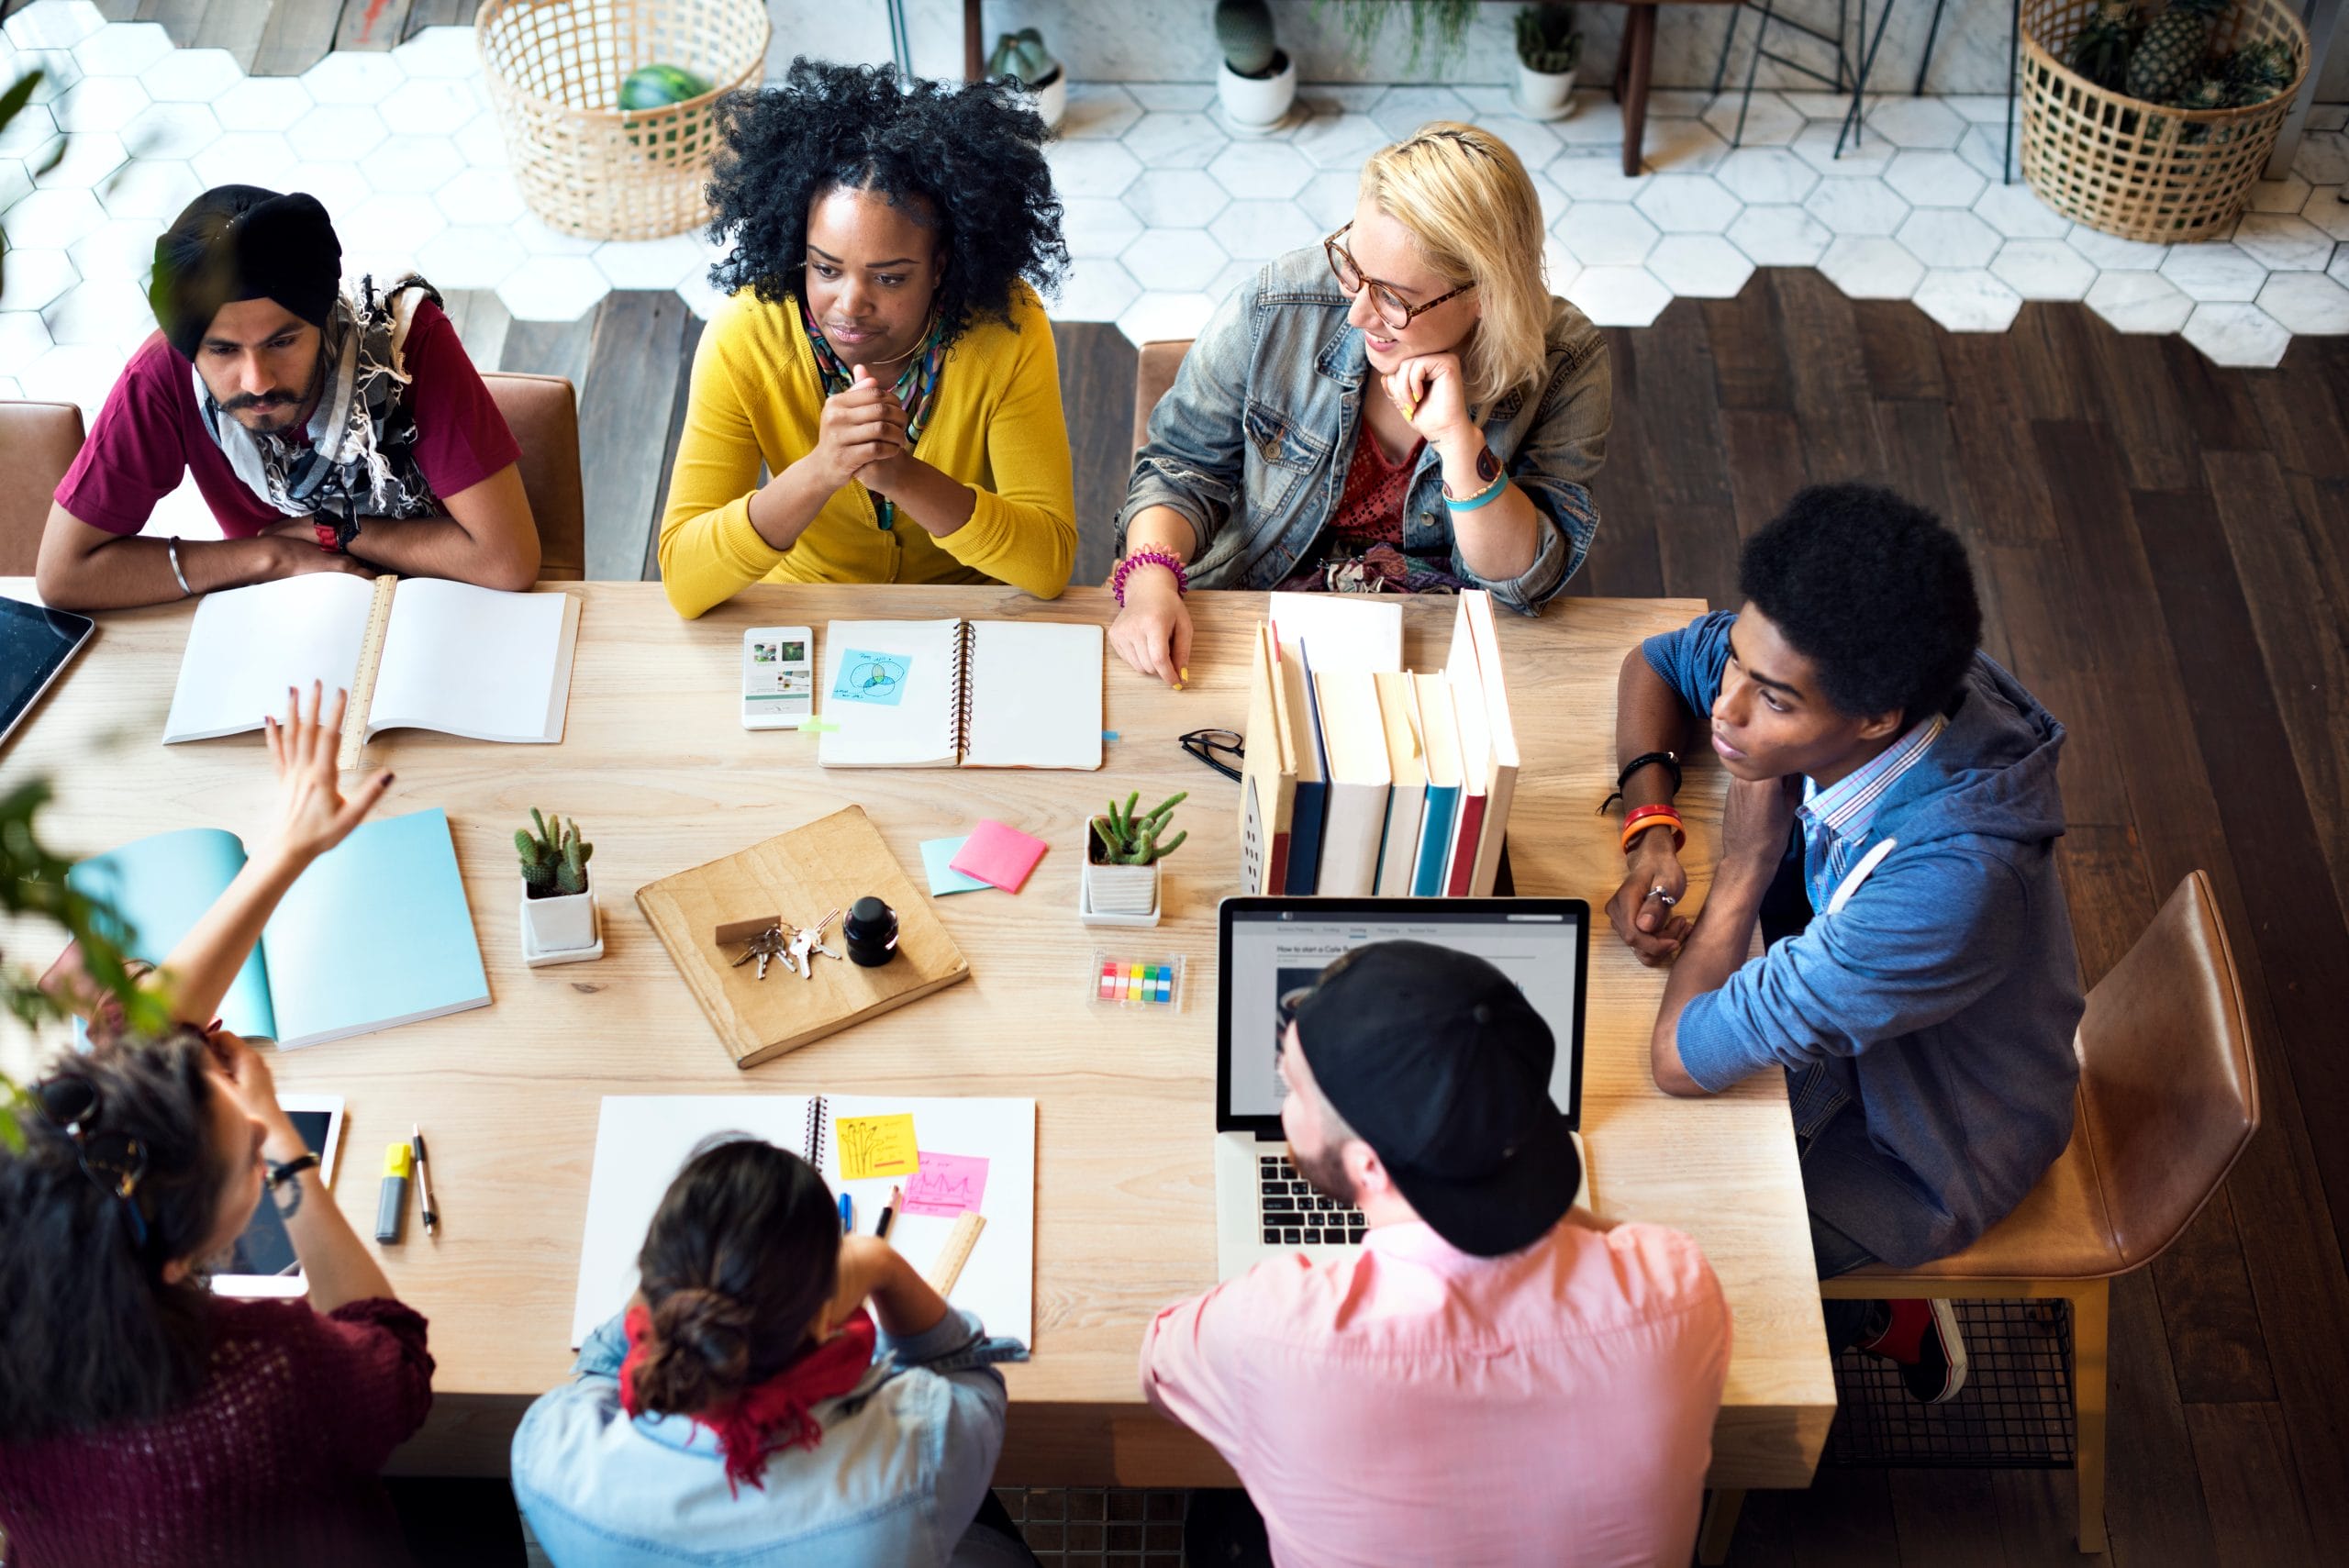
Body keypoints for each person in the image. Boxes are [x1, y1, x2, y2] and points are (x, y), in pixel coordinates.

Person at [1616, 483, 2085, 1403]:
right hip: (1847, 1008)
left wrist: (1744, 868)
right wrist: (1653, 825)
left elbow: (1678, 1055)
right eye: (1738, 664)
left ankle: (1877, 1313)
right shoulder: (1834, 655)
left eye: (1772, 700)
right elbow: (1655, 662)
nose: (1728, 710)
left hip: (1920, 1138)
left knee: (1649, 1286)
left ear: (1875, 717)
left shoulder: (1949, 891)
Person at [0, 684, 430, 1567]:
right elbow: (396, 1368)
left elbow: (124, 1083)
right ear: (192, 1247)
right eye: (248, 1165)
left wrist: (285, 849)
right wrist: (286, 1146)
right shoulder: (260, 1370)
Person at [1141, 941, 1731, 1568]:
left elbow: (1159, 1365)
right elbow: (1606, 1248)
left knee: (1223, 1505)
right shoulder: (1677, 1289)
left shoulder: (1269, 1328)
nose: (1284, 1103)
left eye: (1293, 1091)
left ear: (1367, 1165)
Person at [1108, 121, 1609, 687]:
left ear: (1485, 298)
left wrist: (1458, 445)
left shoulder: (1567, 361)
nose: (1358, 315)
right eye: (1352, 266)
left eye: (1394, 297)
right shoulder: (1277, 304)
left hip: (1446, 647)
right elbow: (1182, 467)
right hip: (1256, 607)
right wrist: (1150, 579)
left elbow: (1524, 579)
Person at [656, 60, 1077, 618]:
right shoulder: (746, 338)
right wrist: (822, 468)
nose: (850, 304)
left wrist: (900, 474)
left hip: (966, 609)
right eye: (825, 269)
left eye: (889, 278)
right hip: (807, 604)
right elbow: (683, 581)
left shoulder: (1007, 329)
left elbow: (1048, 563)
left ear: (941, 266)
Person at [512, 1136, 1034, 1566]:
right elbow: (970, 1379)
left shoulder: (549, 1452)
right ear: (822, 1317)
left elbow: (601, 1370)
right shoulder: (921, 1447)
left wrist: (677, 1272)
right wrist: (882, 1264)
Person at [35, 185, 540, 612]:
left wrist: (333, 532)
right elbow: (63, 574)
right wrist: (270, 557)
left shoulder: (404, 344)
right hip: (288, 609)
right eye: (222, 350)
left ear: (323, 320)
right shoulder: (164, 376)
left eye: (281, 342)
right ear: (190, 349)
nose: (256, 381)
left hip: (446, 603)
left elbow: (506, 560)